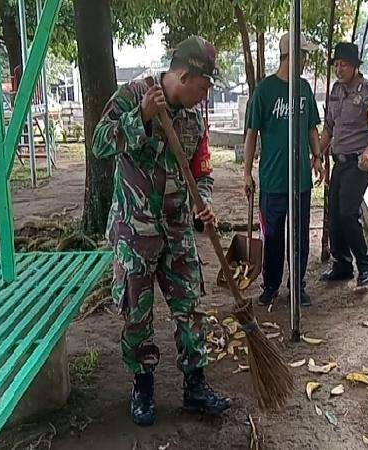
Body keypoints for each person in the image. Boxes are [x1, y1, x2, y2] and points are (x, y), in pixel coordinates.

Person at [92, 36, 231, 427]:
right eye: (202, 87)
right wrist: (141, 116)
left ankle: (195, 386)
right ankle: (143, 387)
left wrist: (203, 200)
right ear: (183, 76)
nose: (204, 96)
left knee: (191, 307)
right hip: (135, 233)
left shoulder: (194, 120)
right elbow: (99, 143)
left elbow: (202, 171)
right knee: (137, 315)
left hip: (177, 230)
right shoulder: (133, 95)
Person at [243, 32, 324, 307]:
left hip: (300, 179)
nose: (305, 60)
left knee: (299, 237)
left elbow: (312, 127)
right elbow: (251, 134)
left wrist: (317, 156)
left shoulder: (304, 89)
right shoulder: (264, 90)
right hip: (273, 180)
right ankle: (271, 285)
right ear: (292, 55)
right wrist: (247, 172)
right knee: (274, 236)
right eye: (303, 55)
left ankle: (297, 285)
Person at [320, 42, 368, 290]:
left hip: (359, 162)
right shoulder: (336, 90)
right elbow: (329, 128)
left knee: (348, 213)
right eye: (336, 65)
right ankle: (343, 265)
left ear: (355, 66)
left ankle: (365, 265)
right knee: (335, 214)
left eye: (344, 65)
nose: (339, 69)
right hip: (339, 161)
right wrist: (316, 155)